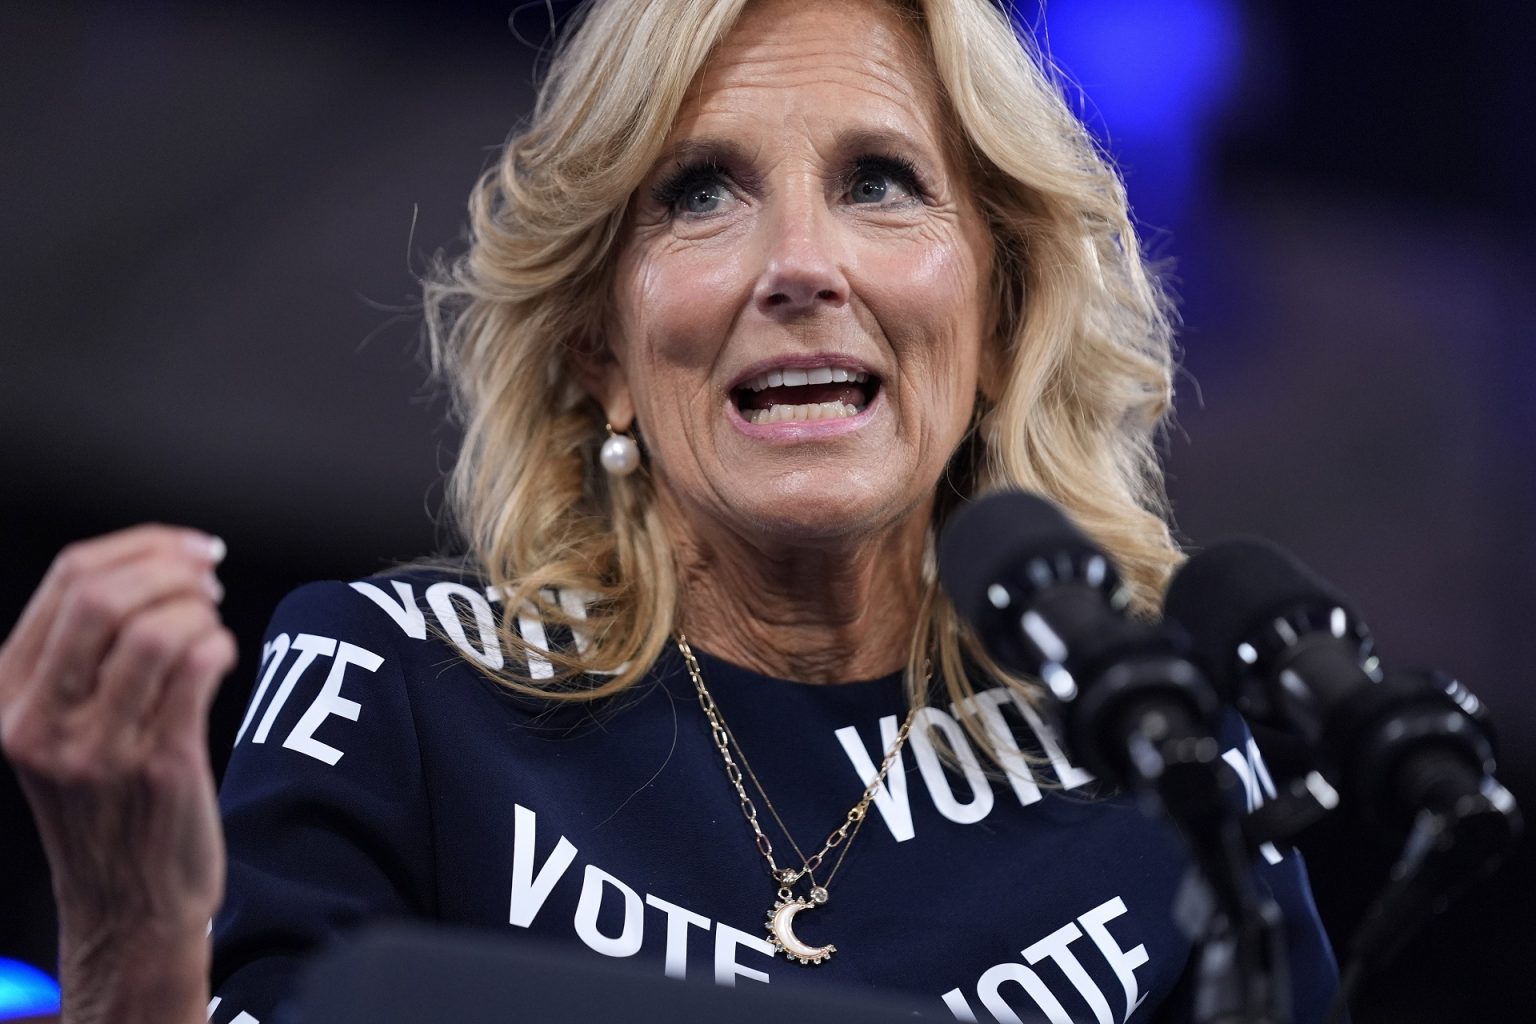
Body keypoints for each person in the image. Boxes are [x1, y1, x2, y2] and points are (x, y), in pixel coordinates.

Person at [0, 0, 1343, 1021]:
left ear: (996, 319)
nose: (800, 265)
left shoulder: (1168, 783)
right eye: (699, 194)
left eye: (880, 181)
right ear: (603, 348)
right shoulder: (395, 692)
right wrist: (129, 948)